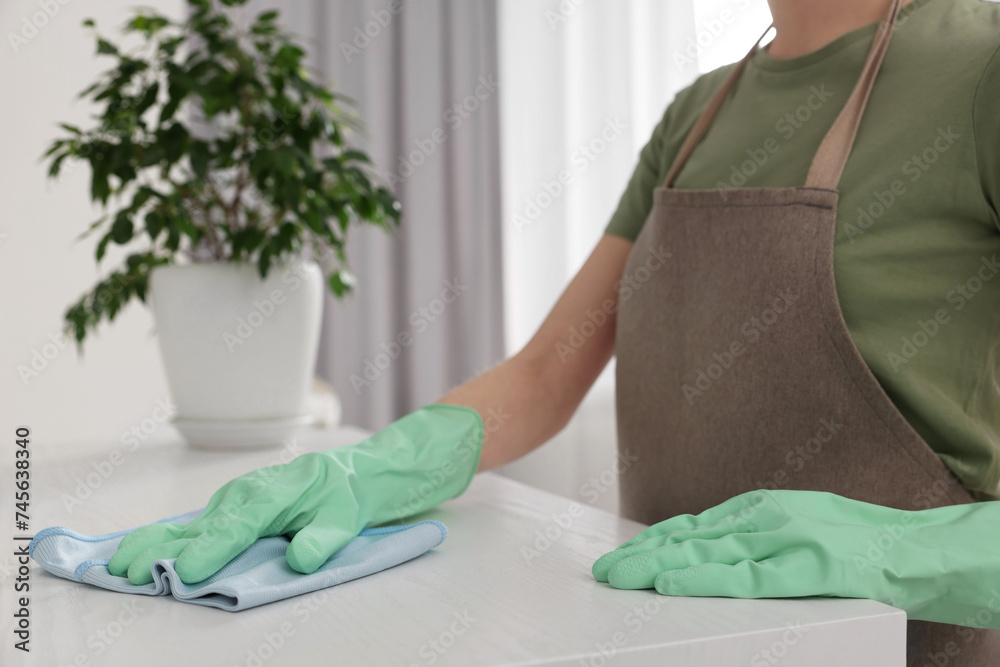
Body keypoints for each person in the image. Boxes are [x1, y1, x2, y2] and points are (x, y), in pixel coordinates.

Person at [109, 0, 1000, 664]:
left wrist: (910, 550)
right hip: (668, 638)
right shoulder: (697, 115)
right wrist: (378, 463)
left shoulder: (980, 67)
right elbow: (544, 374)